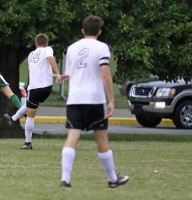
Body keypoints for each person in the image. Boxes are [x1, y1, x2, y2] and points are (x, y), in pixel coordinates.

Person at [59, 15, 130, 188]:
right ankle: (113, 179)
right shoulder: (102, 47)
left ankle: (65, 179)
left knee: (72, 137)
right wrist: (111, 100)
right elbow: (105, 74)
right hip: (95, 99)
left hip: (74, 99)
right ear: (99, 31)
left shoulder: (72, 48)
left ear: (82, 30)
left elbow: (68, 77)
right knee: (102, 140)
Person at [4, 33, 61, 149]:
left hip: (35, 88)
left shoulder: (31, 55)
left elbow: (49, 60)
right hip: (46, 88)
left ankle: (28, 143)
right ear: (46, 43)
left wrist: (58, 74)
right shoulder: (48, 49)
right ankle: (14, 117)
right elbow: (44, 68)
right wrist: (57, 75)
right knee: (30, 103)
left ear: (35, 44)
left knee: (30, 116)